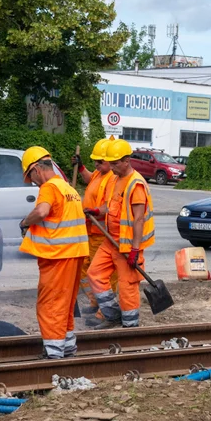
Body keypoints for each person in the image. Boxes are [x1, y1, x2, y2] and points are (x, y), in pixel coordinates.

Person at [19, 146, 89, 359]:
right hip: (74, 254)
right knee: (65, 304)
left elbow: (42, 211)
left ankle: (54, 354)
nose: (32, 181)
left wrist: (24, 222)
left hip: (58, 255)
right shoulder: (68, 188)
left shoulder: (49, 187)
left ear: (37, 169)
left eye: (30, 176)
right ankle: (67, 347)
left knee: (49, 305)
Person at [87, 139, 155, 329]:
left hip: (127, 246)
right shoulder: (115, 180)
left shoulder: (136, 185)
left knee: (127, 287)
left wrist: (135, 249)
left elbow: (139, 219)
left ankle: (130, 326)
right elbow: (110, 206)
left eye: (115, 163)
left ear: (127, 161)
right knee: (94, 274)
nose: (112, 167)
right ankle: (113, 315)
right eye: (111, 163)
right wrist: (97, 211)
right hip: (110, 242)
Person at [72, 139, 118, 325]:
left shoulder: (112, 179)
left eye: (100, 161)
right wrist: (82, 168)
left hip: (102, 232)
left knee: (102, 273)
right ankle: (95, 300)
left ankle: (105, 310)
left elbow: (109, 206)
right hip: (90, 229)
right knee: (85, 267)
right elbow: (90, 179)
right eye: (95, 162)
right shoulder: (99, 174)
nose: (96, 165)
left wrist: (96, 211)